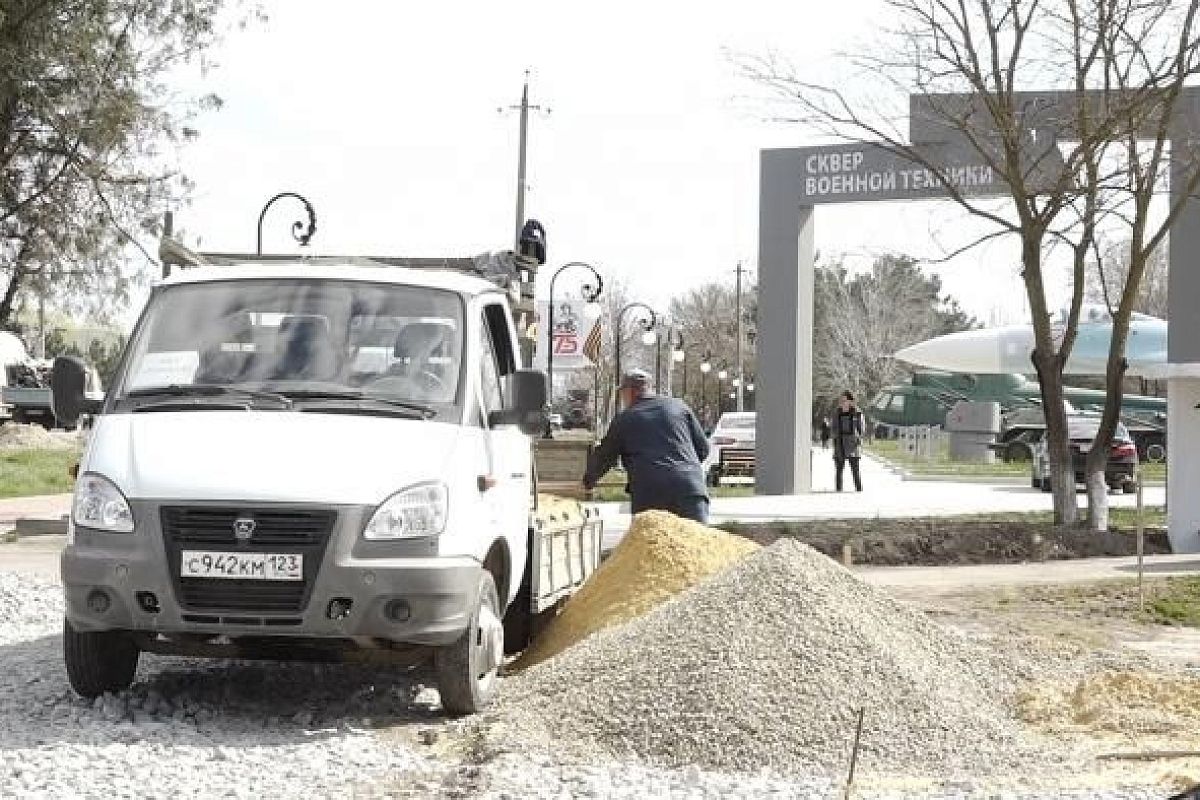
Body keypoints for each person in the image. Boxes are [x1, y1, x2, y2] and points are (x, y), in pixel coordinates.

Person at [581, 368, 711, 523]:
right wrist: (684, 469)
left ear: (630, 392)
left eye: (622, 394)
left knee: (651, 545)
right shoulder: (679, 407)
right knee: (697, 543)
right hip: (691, 490)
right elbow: (703, 449)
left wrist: (588, 481)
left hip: (650, 493)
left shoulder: (625, 419)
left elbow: (605, 456)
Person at [832, 390, 864, 492]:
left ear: (850, 401)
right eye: (841, 400)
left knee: (855, 470)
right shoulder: (837, 413)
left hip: (852, 444)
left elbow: (861, 428)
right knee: (839, 470)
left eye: (844, 400)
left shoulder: (857, 413)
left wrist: (858, 438)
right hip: (840, 443)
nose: (842, 402)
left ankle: (859, 490)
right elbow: (833, 427)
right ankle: (838, 490)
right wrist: (835, 437)